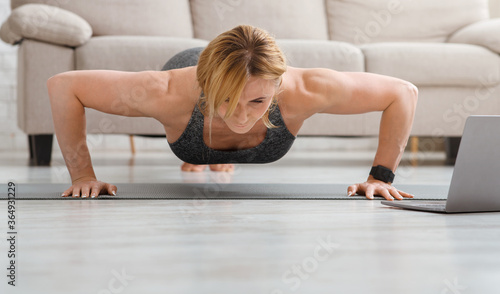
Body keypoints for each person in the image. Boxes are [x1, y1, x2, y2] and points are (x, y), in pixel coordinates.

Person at [47, 25, 418, 201]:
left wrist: (380, 177)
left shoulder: (305, 90)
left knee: (218, 143)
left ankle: (208, 155)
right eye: (224, 101)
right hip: (193, 65)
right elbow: (65, 85)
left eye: (257, 103)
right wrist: (83, 175)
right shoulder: (168, 93)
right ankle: (200, 157)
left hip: (241, 69)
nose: (240, 117)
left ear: (277, 87)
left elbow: (402, 93)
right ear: (205, 89)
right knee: (197, 154)